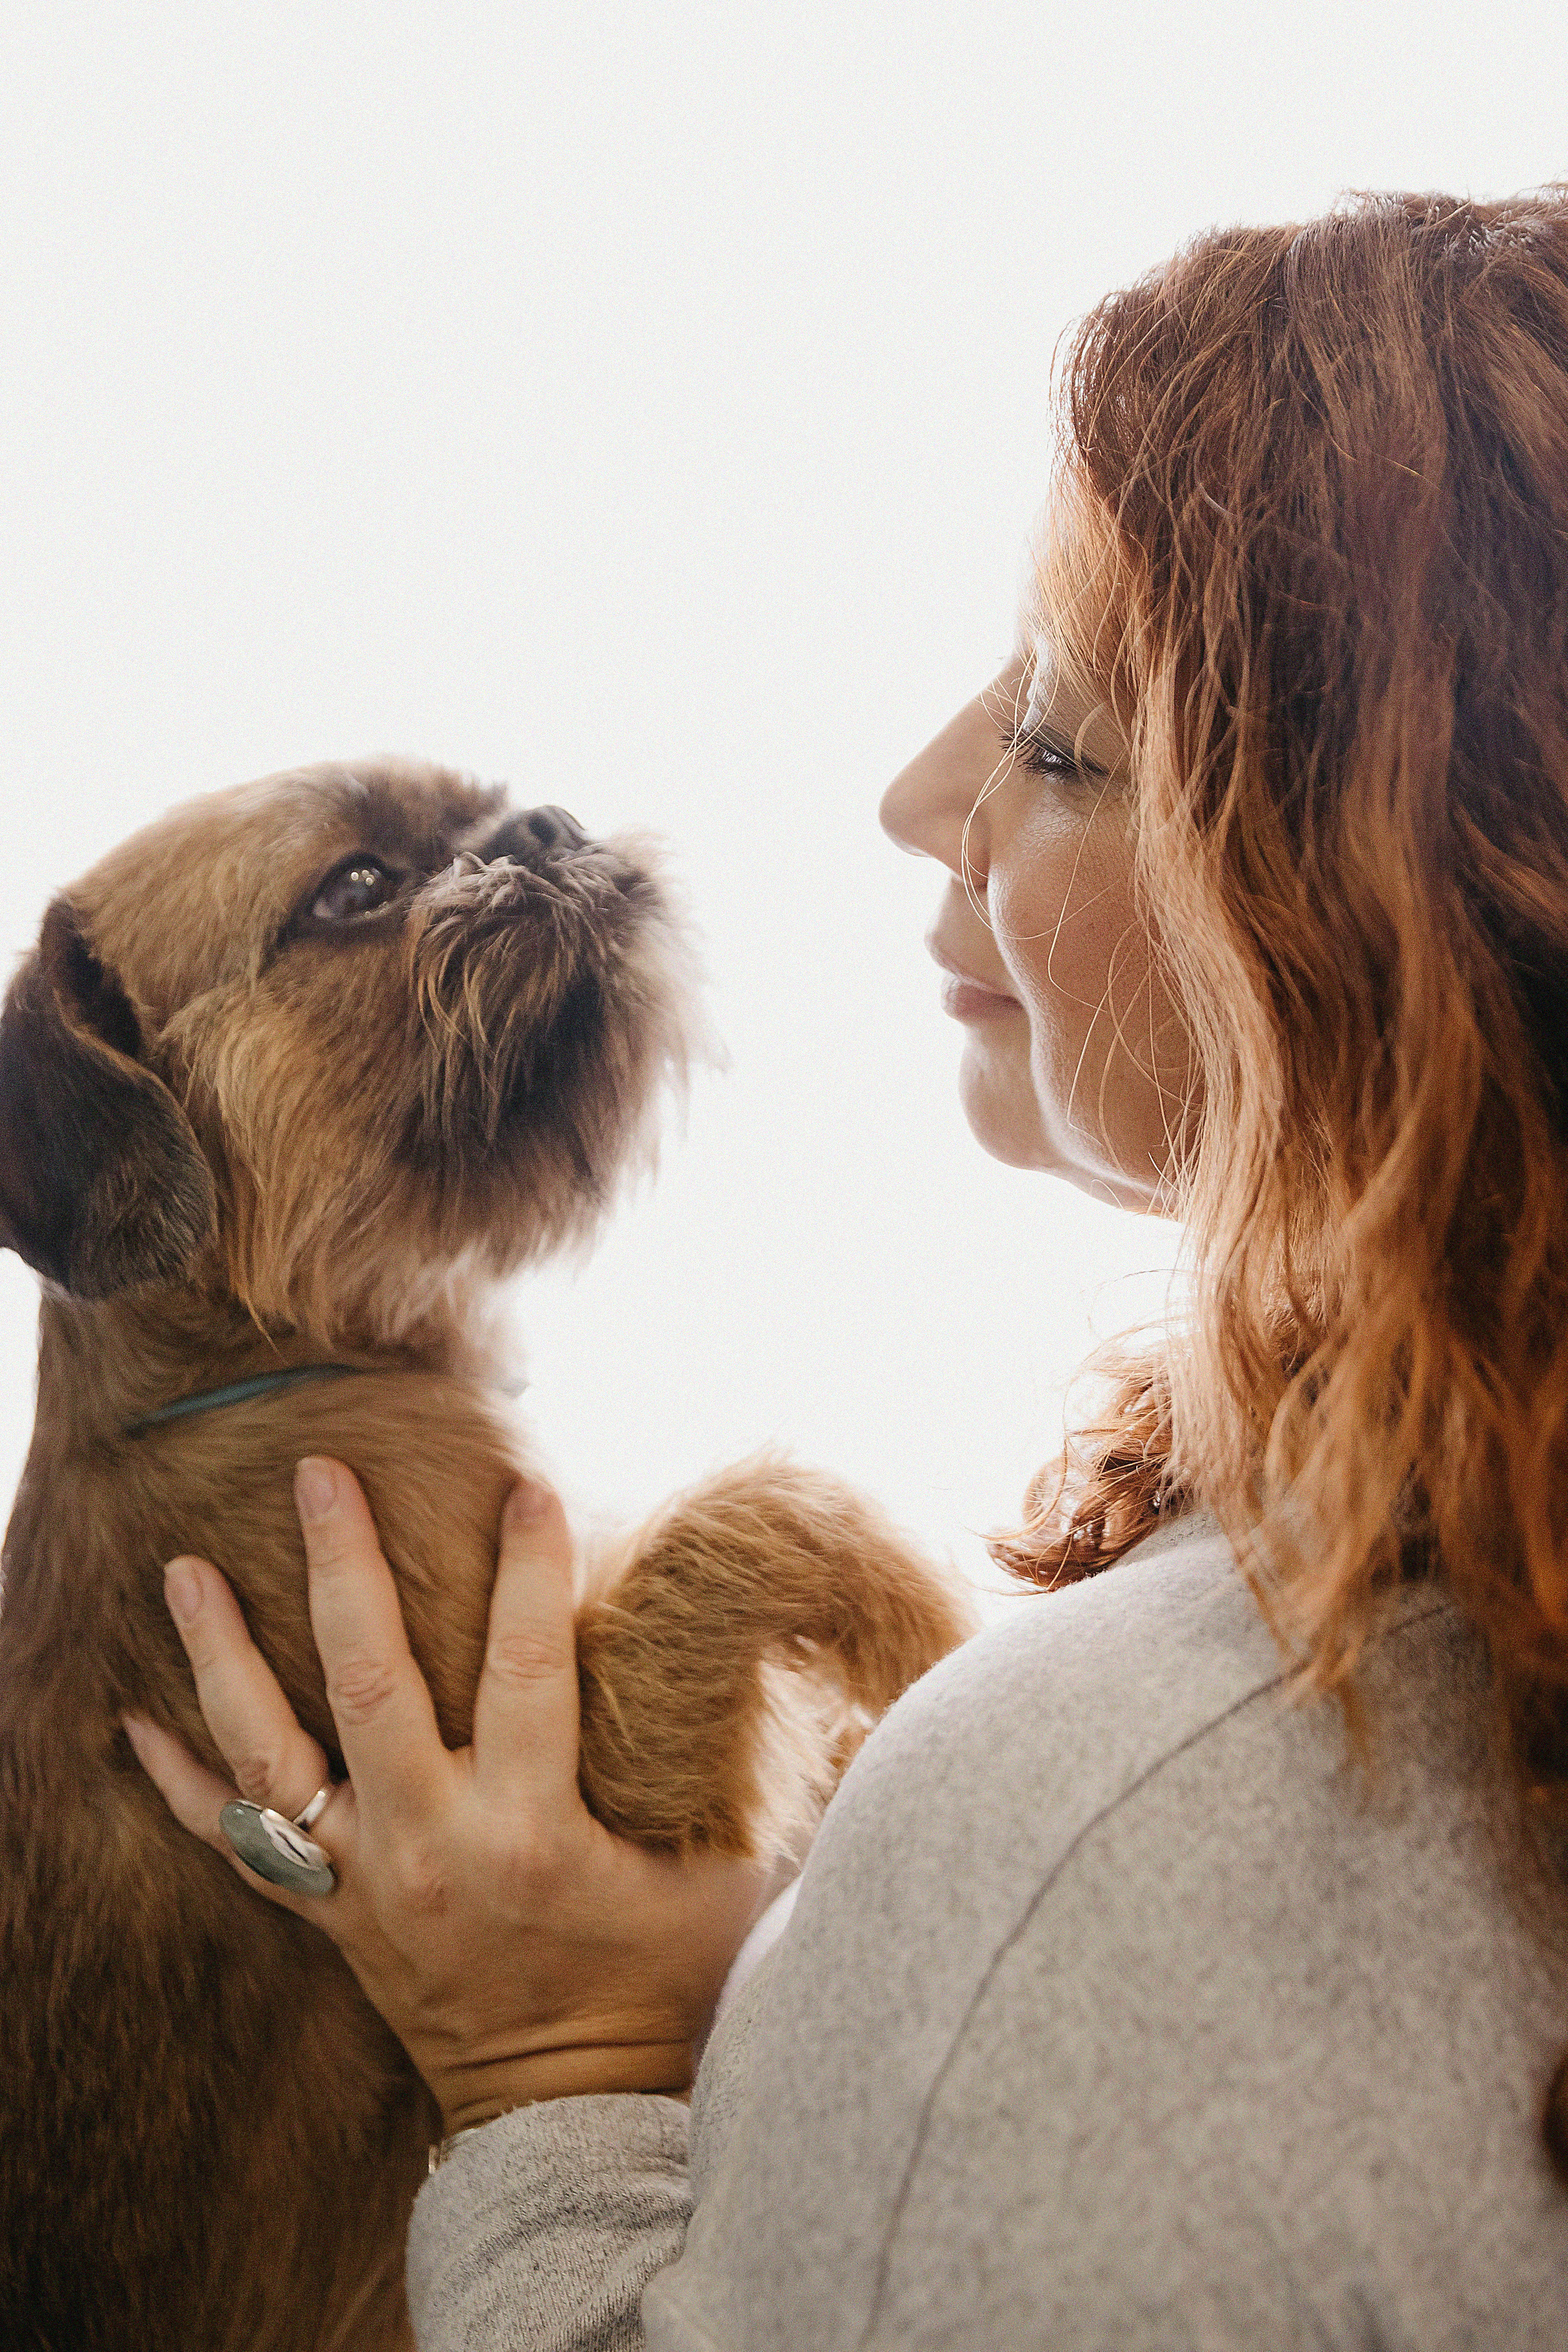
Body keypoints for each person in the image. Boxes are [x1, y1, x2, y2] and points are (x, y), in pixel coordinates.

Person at [126, 189, 1568, 2346]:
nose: (918, 794)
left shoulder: (1080, 1833)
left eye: (1059, 738)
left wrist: (551, 2074)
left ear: (1366, 918)